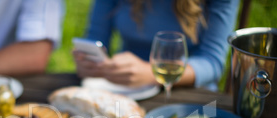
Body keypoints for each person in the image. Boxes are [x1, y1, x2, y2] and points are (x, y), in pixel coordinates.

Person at [73, 0, 240, 91]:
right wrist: (88, 60)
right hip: (123, 89)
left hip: (188, 94)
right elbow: (95, 38)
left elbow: (212, 63)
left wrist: (153, 74)